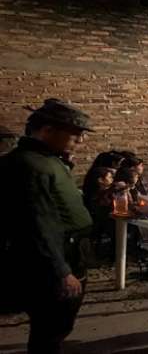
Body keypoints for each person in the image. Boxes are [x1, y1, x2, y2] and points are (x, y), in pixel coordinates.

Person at [0, 98, 94, 353]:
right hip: (55, 259)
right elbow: (36, 222)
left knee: (57, 327)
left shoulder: (47, 159)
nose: (80, 140)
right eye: (74, 134)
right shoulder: (30, 165)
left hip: (71, 251)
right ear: (47, 130)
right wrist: (61, 271)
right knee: (50, 328)